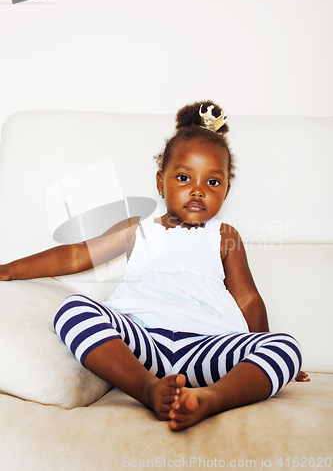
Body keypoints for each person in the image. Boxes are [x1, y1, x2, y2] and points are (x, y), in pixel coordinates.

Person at [0, 100, 309, 431]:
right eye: (183, 177)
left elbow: (247, 299)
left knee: (286, 347)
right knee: (72, 310)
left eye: (213, 183)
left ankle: (211, 399)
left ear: (227, 191)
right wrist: (10, 270)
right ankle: (148, 389)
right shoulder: (139, 228)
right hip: (142, 344)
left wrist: (260, 353)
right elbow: (77, 255)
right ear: (160, 182)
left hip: (206, 348)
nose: (198, 191)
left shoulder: (223, 236)